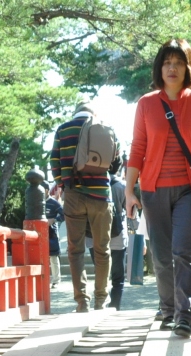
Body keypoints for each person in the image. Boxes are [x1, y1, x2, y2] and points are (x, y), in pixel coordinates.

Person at [125, 38, 191, 338]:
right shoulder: (146, 104)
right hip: (153, 190)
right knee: (161, 256)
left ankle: (184, 315)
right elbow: (138, 148)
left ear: (188, 68)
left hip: (188, 191)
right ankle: (168, 310)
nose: (172, 68)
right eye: (167, 62)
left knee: (183, 252)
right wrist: (129, 191)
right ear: (160, 67)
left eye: (179, 63)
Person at [49, 102, 117, 311]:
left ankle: (82, 301)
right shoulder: (106, 128)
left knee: (75, 249)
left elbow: (54, 162)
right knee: (102, 249)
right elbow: (115, 163)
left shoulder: (63, 130)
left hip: (74, 195)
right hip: (101, 196)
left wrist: (62, 184)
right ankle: (101, 299)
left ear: (75, 112)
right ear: (93, 113)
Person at [89, 158, 128, 309]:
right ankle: (115, 306)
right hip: (117, 236)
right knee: (118, 278)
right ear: (118, 168)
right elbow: (130, 212)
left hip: (95, 236)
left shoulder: (91, 185)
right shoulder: (122, 186)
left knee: (100, 272)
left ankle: (100, 302)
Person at [45, 186, 64, 288]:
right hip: (39, 232)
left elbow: (64, 214)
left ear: (47, 190)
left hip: (52, 232)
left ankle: (56, 280)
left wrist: (54, 220)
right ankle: (43, 279)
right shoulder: (36, 202)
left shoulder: (54, 203)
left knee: (53, 256)